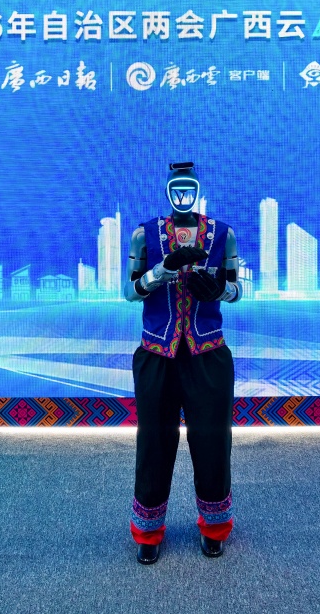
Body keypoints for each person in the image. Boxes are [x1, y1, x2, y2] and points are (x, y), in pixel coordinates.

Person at [124, 161, 242, 565]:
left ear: (197, 191)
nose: (183, 197)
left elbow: (237, 290)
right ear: (168, 192)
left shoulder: (223, 234)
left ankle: (214, 526)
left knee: (212, 441)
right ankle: (148, 530)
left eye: (189, 190)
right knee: (154, 442)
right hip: (157, 353)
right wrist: (162, 270)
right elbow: (130, 292)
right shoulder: (144, 235)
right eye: (177, 190)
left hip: (208, 353)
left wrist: (220, 290)